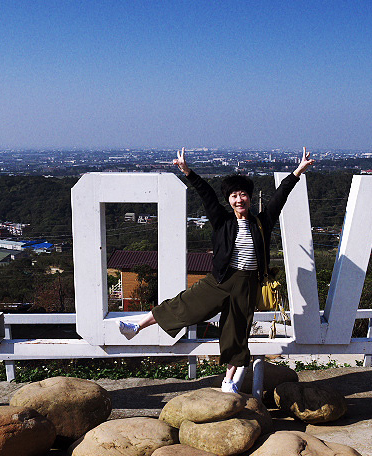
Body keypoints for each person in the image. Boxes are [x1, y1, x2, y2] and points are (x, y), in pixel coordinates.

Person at [119, 147, 315, 393]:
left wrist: (298, 171)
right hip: (220, 279)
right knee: (185, 304)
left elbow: (280, 195)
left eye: (243, 195)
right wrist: (187, 171)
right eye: (234, 195)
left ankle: (228, 381)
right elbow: (206, 194)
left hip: (246, 284)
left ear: (250, 199)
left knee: (236, 332)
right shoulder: (222, 221)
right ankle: (137, 326)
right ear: (229, 200)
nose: (239, 199)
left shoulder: (261, 222)